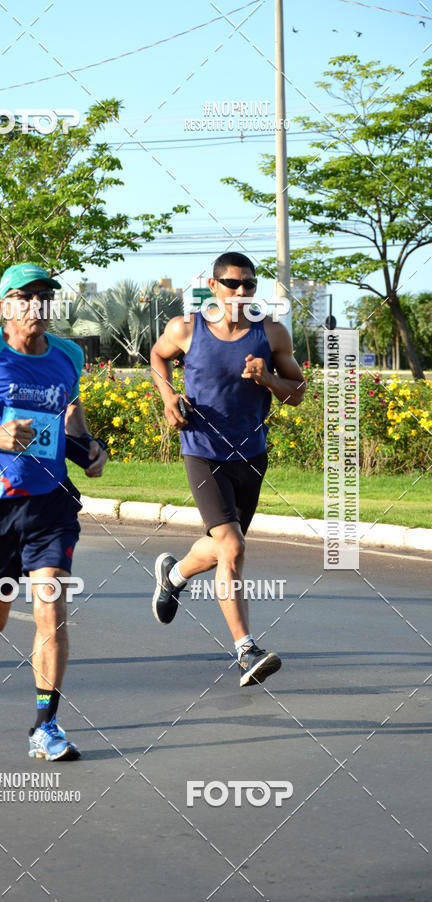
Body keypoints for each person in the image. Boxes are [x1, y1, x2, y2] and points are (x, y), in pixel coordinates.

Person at [0, 263, 107, 761]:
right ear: (4, 305)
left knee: (50, 607)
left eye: (44, 297)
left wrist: (88, 446)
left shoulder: (69, 354)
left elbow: (70, 411)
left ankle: (45, 726)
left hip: (50, 501)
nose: (36, 306)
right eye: (25, 297)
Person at [150, 252, 305, 686]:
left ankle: (174, 575)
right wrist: (168, 399)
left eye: (249, 285)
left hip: (251, 454)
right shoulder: (186, 328)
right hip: (202, 451)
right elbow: (157, 357)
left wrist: (269, 380)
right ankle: (246, 650)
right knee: (232, 546)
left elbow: (298, 393)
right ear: (213, 286)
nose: (241, 292)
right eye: (232, 284)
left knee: (222, 548)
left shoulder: (271, 334)